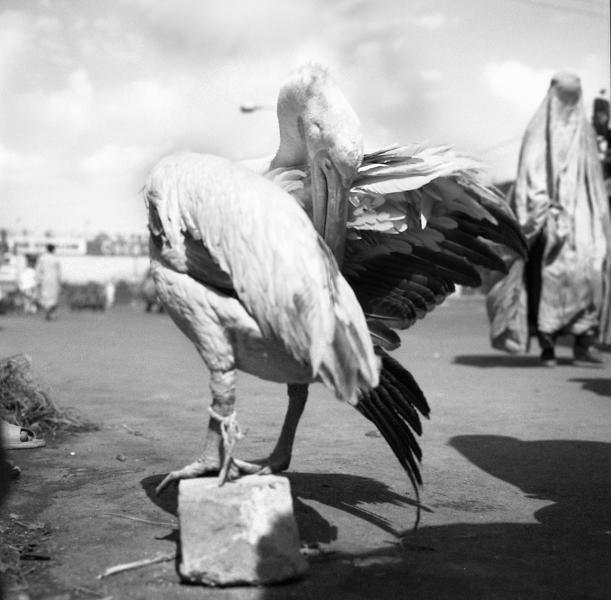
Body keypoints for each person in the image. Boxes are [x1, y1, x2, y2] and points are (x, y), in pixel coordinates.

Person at [487, 72, 611, 366]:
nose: (568, 104)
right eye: (564, 97)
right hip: (546, 219)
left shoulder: (585, 133)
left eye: (573, 99)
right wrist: (543, 211)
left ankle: (584, 340)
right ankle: (547, 343)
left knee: (591, 271)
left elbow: (592, 179)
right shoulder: (537, 131)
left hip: (584, 221)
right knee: (548, 278)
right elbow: (531, 176)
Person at [36, 243, 62, 321]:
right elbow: (59, 272)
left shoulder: (42, 258)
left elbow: (38, 269)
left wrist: (38, 279)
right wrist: (60, 280)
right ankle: (50, 312)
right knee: (53, 295)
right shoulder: (55, 259)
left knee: (46, 295)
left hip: (45, 278)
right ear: (53, 249)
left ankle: (48, 312)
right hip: (53, 279)